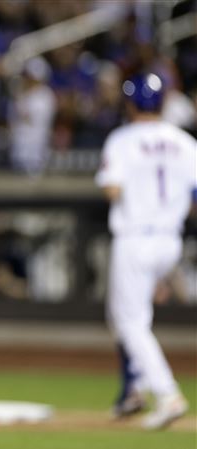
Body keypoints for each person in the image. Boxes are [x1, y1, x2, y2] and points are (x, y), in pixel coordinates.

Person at [95, 72, 196, 430]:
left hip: (135, 238)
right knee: (120, 316)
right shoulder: (185, 142)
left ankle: (167, 394)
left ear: (130, 102)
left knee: (130, 322)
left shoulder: (123, 139)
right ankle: (133, 391)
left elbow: (112, 191)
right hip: (169, 240)